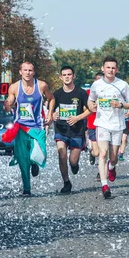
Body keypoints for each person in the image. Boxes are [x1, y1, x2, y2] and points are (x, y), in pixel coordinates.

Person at [3, 61, 55, 196]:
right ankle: (27, 188)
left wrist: (49, 114)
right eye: (25, 70)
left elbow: (52, 98)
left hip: (37, 127)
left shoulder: (42, 85)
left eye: (30, 70)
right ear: (20, 72)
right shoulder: (14, 87)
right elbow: (10, 102)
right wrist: (7, 106)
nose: (28, 73)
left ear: (34, 72)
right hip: (21, 127)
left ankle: (34, 163)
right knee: (22, 158)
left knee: (41, 153)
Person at [88, 56, 129, 199]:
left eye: (113, 68)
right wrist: (92, 106)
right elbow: (90, 101)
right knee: (102, 153)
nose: (110, 70)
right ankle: (104, 185)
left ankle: (112, 166)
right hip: (102, 123)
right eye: (108, 67)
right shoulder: (96, 85)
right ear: (103, 69)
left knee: (113, 157)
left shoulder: (122, 84)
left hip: (117, 124)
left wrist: (121, 105)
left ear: (117, 70)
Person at [52, 66, 91, 194]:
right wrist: (53, 115)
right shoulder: (56, 94)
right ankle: (66, 182)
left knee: (73, 161)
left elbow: (90, 110)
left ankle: (74, 165)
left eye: (69, 74)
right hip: (61, 130)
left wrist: (77, 118)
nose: (67, 77)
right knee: (61, 153)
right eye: (64, 75)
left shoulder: (81, 93)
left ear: (74, 76)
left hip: (76, 131)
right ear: (60, 77)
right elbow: (50, 111)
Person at [87, 72, 103, 175]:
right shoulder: (88, 93)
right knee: (97, 152)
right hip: (92, 124)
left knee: (104, 152)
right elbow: (83, 107)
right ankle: (91, 153)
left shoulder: (108, 93)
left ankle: (100, 172)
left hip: (105, 125)